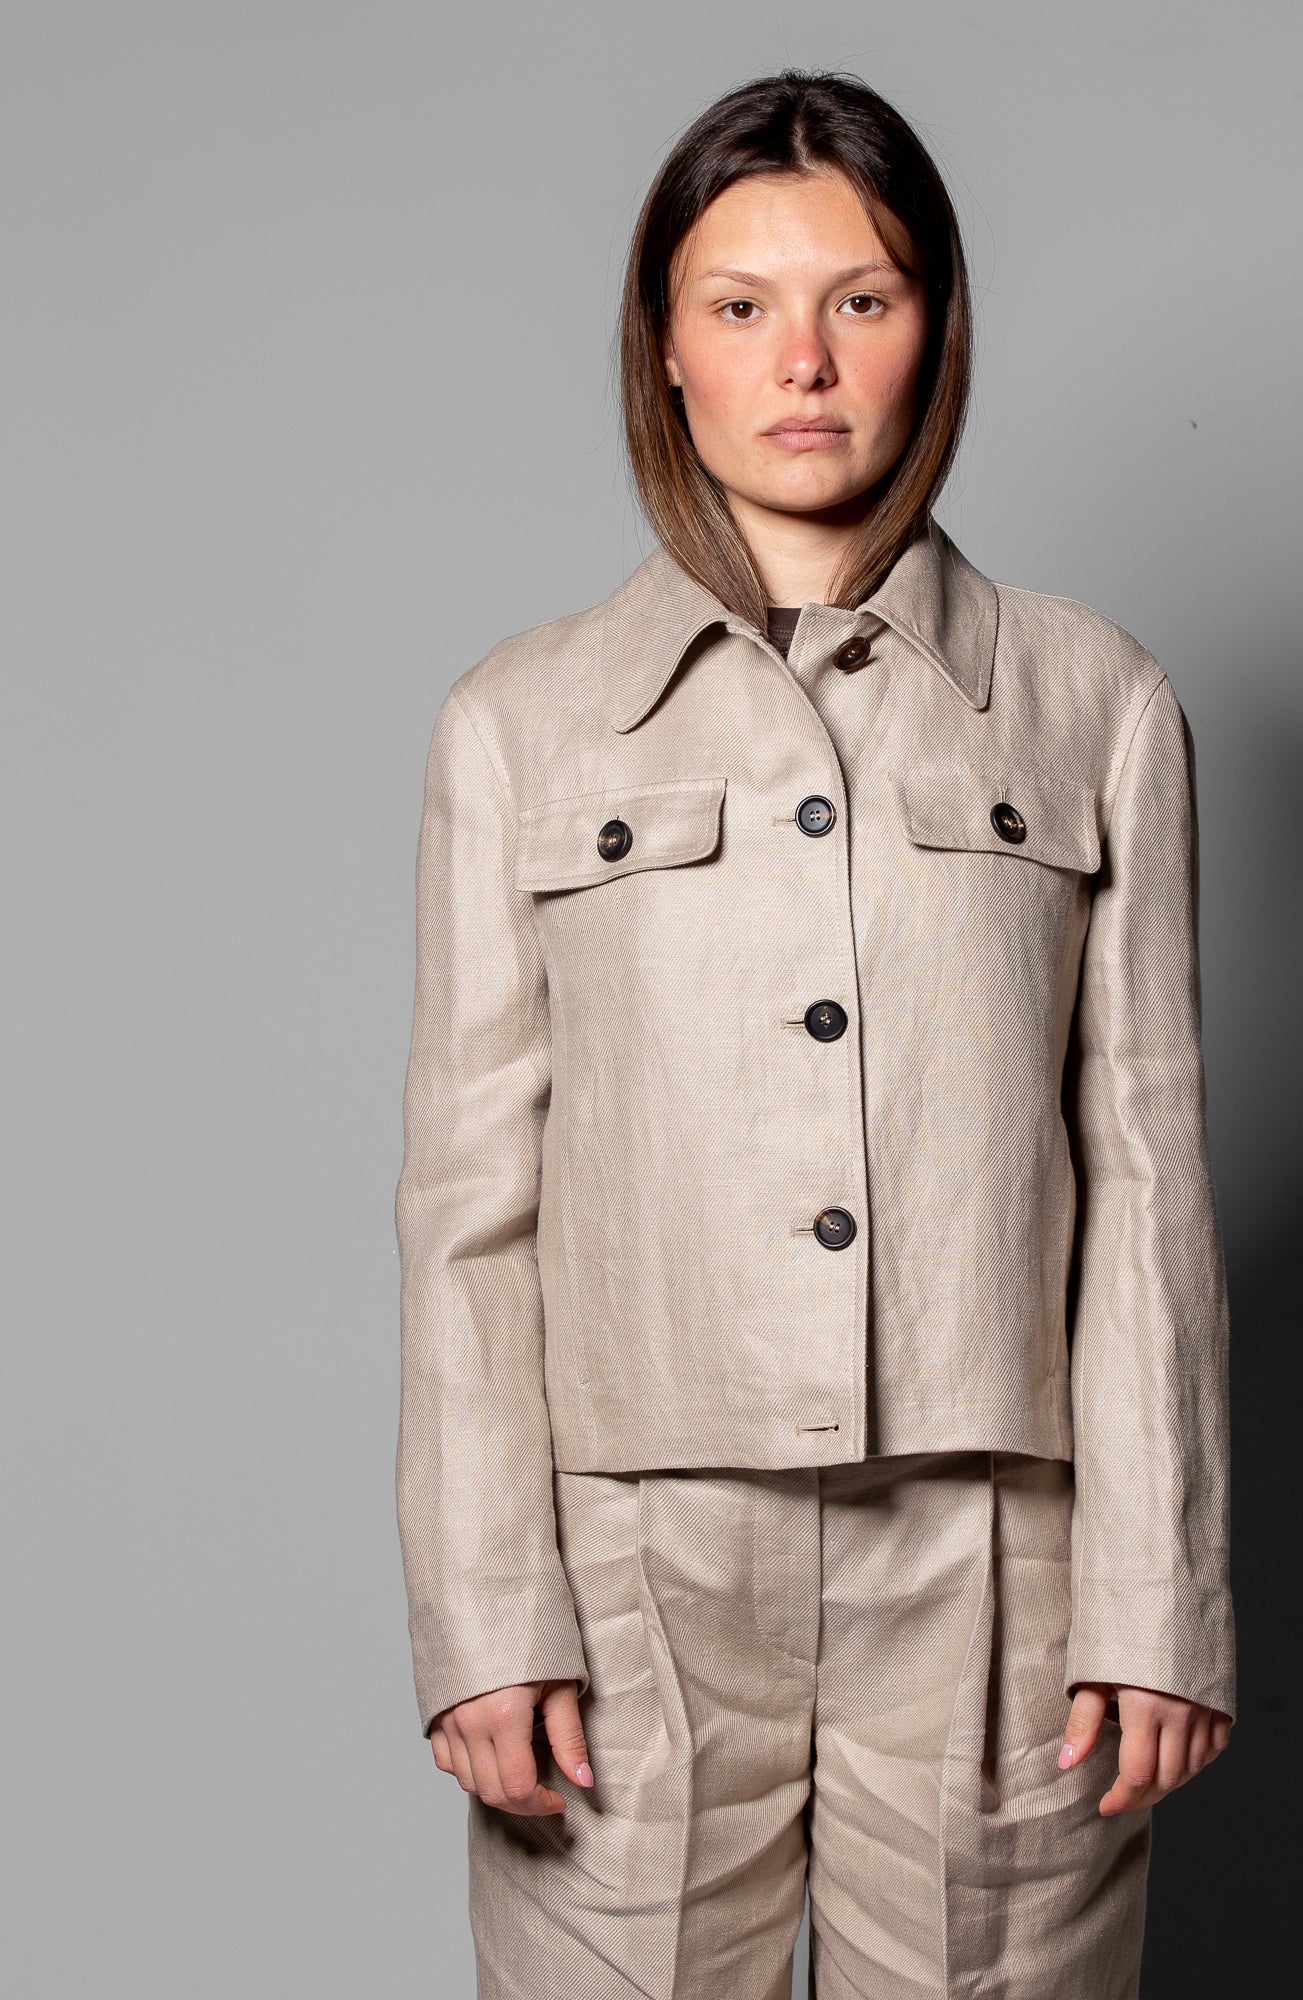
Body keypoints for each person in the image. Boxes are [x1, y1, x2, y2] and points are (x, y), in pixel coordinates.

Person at [394, 67, 1236, 2000]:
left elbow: (1146, 1181)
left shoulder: (1093, 703)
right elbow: (465, 1210)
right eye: (741, 304)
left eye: (863, 297)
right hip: (628, 1571)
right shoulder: (518, 724)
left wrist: (1158, 1594)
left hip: (1001, 1568)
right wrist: (483, 1606)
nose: (805, 361)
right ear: (666, 347)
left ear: (937, 327)